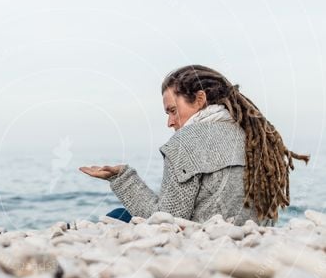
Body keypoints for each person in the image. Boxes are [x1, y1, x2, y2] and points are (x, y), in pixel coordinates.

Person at [79, 64, 309, 225]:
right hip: (250, 240)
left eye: (172, 110)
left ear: (200, 100)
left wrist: (121, 177)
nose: (170, 122)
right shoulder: (257, 139)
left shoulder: (186, 142)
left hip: (204, 244)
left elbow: (166, 219)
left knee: (118, 215)